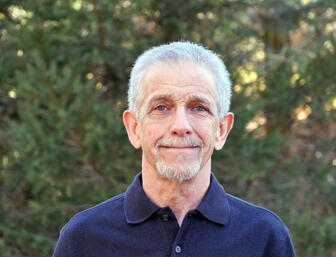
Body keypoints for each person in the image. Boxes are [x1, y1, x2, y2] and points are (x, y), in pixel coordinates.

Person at [53, 41, 296, 257]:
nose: (181, 126)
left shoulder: (265, 237)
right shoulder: (84, 239)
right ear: (134, 127)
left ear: (222, 129)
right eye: (161, 107)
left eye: (199, 108)